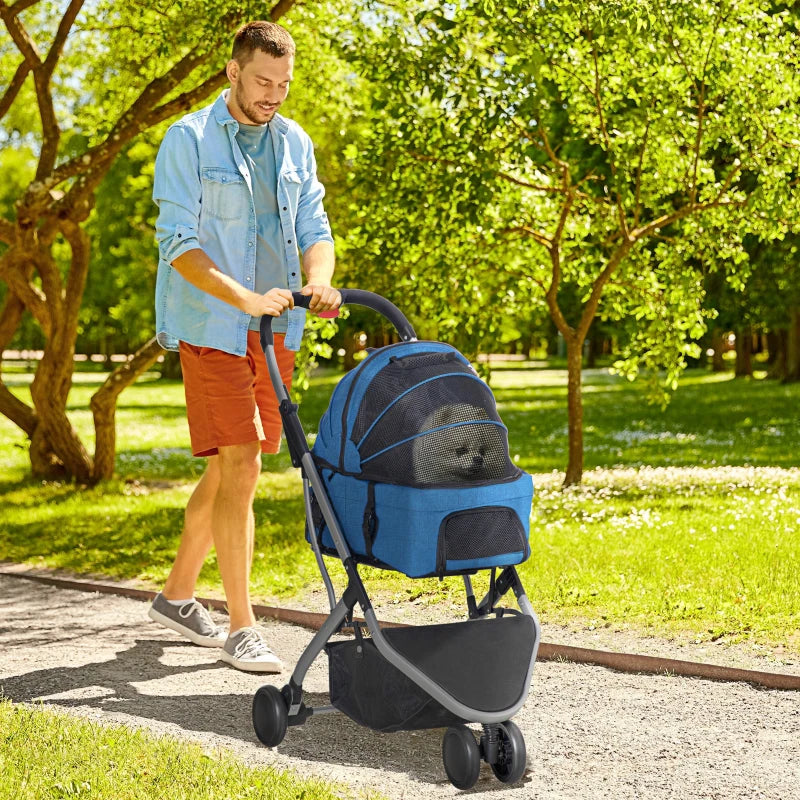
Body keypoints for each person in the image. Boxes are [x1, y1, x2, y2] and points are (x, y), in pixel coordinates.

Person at [148, 20, 340, 673]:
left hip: (276, 328)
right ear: (233, 71)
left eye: (284, 84)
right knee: (244, 466)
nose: (274, 95)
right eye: (263, 81)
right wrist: (246, 299)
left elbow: (314, 225)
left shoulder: (293, 143)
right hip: (214, 326)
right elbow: (179, 245)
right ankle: (241, 625)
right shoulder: (189, 140)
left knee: (234, 463)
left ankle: (177, 595)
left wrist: (318, 282)